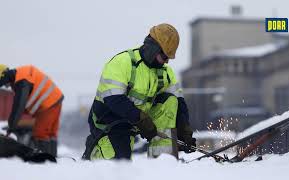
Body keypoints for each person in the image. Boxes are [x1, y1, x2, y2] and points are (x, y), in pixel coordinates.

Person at [83, 23, 196, 161]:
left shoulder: (165, 73)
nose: (166, 62)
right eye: (164, 57)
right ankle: (94, 151)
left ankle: (162, 160)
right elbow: (114, 100)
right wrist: (140, 119)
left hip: (139, 122)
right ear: (153, 49)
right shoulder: (122, 63)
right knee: (119, 164)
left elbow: (179, 103)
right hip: (110, 122)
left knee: (170, 100)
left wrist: (184, 130)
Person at [0, 64, 64, 156]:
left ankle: (44, 161)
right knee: (51, 134)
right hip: (55, 100)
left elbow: (19, 105)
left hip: (48, 105)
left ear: (4, 75)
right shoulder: (22, 75)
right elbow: (25, 103)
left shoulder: (22, 80)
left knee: (40, 134)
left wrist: (11, 126)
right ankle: (52, 158)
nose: (5, 86)